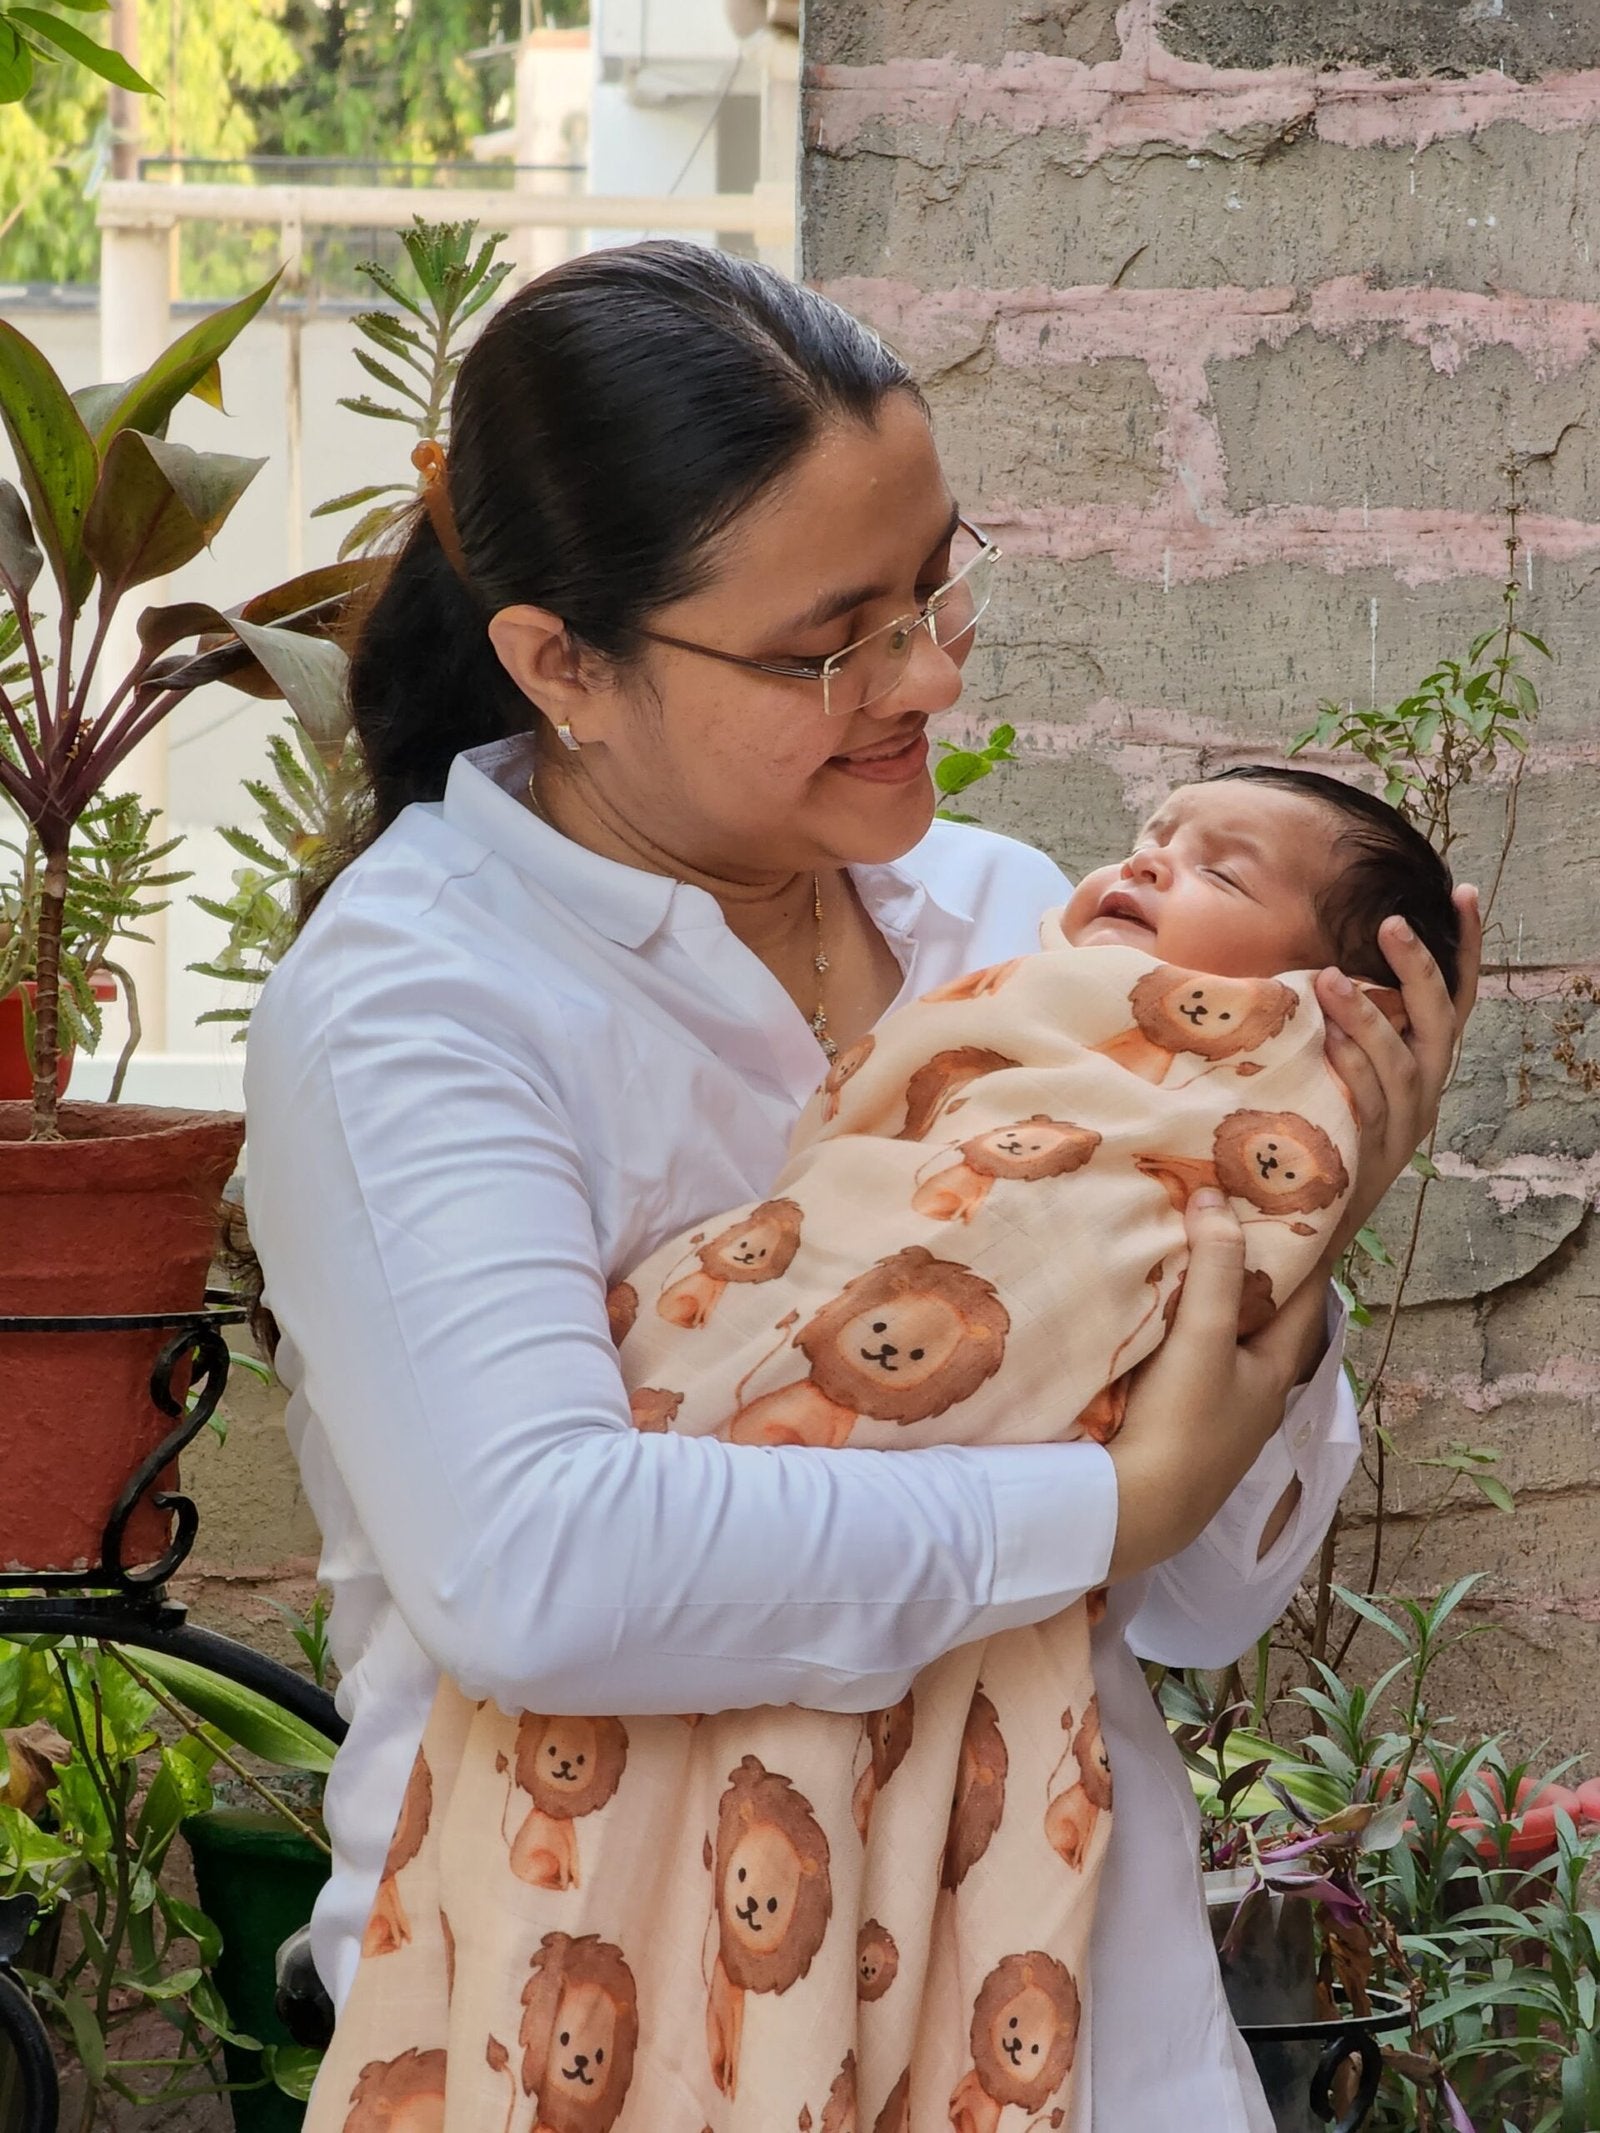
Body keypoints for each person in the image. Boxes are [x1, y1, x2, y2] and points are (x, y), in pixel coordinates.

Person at [243, 241, 1479, 2132]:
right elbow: (538, 1562)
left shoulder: (1016, 928)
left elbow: (1197, 1600)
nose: (926, 671)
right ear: (562, 660)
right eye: (834, 642)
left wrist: (1300, 1235)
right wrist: (1103, 1494)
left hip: (1062, 1985)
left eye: (935, 581)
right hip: (604, 1994)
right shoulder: (419, 1001)